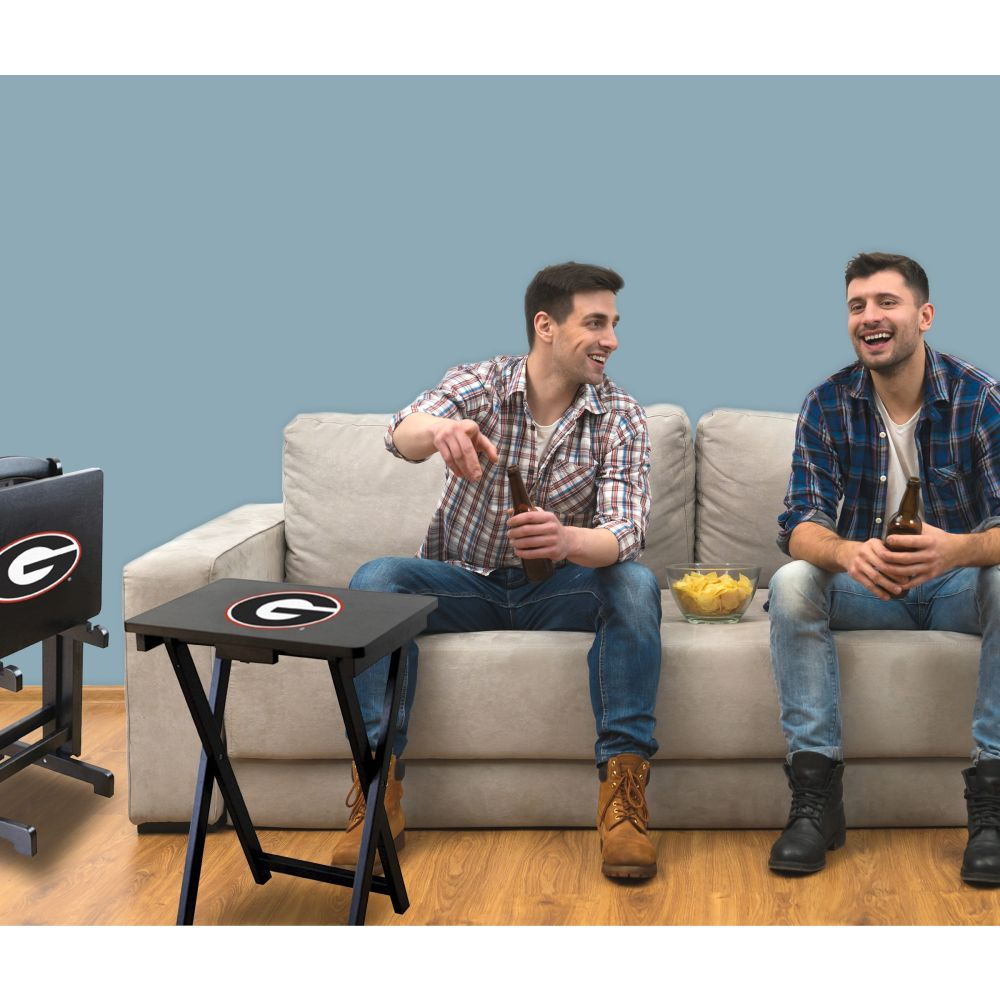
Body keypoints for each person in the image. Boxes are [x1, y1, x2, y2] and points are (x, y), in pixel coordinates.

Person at [331, 261, 663, 879]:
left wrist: (567, 539)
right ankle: (377, 792)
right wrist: (440, 431)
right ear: (545, 326)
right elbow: (400, 431)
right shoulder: (480, 383)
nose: (611, 339)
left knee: (638, 585)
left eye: (614, 324)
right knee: (377, 579)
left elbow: (625, 533)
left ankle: (622, 800)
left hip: (560, 589)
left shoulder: (622, 414)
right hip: (464, 580)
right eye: (595, 323)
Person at [767, 251, 1000, 884]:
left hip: (954, 585)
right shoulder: (827, 403)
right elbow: (799, 525)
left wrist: (956, 549)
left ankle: (993, 807)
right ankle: (816, 800)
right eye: (857, 306)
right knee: (791, 584)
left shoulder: (980, 400)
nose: (870, 317)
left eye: (886, 303)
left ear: (924, 315)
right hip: (867, 587)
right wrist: (847, 553)